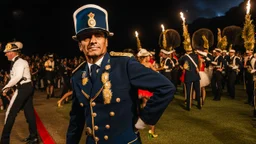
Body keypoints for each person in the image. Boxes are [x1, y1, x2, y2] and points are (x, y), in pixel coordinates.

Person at [66, 4, 175, 144]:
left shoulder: (124, 64)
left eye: (98, 35)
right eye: (86, 37)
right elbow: (76, 119)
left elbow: (166, 88)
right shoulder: (77, 76)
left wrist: (142, 121)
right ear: (80, 45)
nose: (93, 41)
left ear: (106, 41)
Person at [0, 41, 38, 144]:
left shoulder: (20, 62)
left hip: (23, 88)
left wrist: (5, 87)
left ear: (12, 52)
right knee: (29, 113)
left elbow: (17, 77)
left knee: (10, 113)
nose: (5, 54)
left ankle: (4, 141)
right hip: (26, 87)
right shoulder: (18, 62)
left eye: (7, 52)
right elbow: (16, 77)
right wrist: (8, 88)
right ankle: (34, 137)